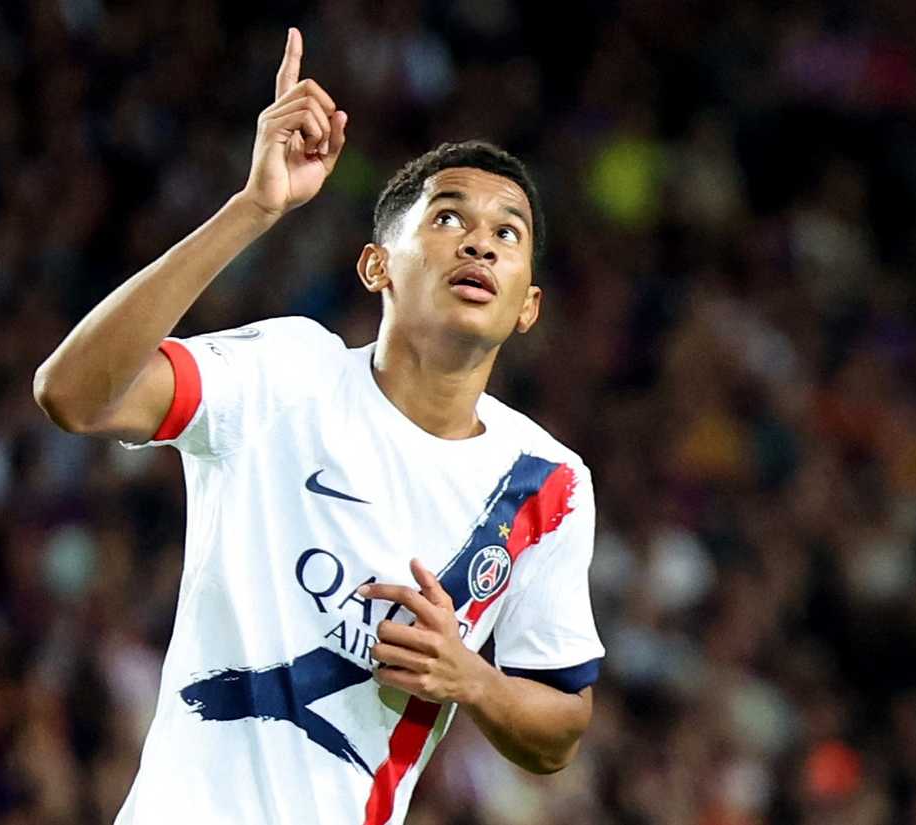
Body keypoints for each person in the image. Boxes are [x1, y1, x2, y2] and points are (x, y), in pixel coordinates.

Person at [33, 27, 603, 825]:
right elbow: (73, 394)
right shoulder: (287, 373)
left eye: (508, 233)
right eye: (446, 217)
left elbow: (561, 727)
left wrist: (470, 677)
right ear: (377, 266)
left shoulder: (548, 483)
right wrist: (252, 209)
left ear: (528, 306)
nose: (479, 239)